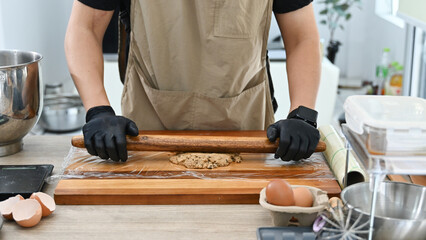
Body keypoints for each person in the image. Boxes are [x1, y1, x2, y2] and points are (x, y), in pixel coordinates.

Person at [65, 0, 321, 162]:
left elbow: (302, 38)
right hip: (148, 130)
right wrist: (98, 110)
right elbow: (84, 28)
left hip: (247, 131)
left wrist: (302, 114)